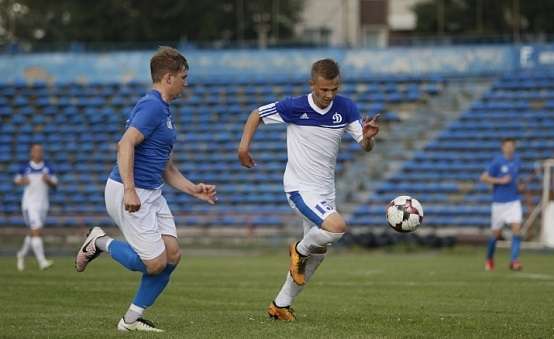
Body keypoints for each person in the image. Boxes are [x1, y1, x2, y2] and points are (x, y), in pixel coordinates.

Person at [74, 47, 217, 332]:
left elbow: (166, 167)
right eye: (183, 77)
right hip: (131, 192)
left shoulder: (164, 109)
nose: (185, 83)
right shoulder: (152, 105)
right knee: (154, 264)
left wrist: (193, 189)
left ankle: (130, 320)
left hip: (152, 192)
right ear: (168, 77)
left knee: (172, 256)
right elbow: (125, 144)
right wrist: (130, 189)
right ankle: (99, 242)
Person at [238, 58, 380, 320]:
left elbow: (364, 144)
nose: (329, 95)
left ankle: (280, 305)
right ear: (312, 84)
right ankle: (298, 250)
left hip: (325, 192)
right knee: (336, 227)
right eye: (324, 89)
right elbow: (256, 114)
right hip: (300, 188)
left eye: (334, 89)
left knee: (320, 253)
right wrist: (243, 146)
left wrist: (368, 139)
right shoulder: (295, 106)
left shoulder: (346, 108)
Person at [480, 138, 524, 271]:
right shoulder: (497, 162)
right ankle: (489, 258)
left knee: (517, 230)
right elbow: (483, 177)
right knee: (495, 235)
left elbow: (516, 179)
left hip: (514, 201)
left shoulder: (517, 161)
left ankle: (514, 261)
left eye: (512, 146)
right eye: (507, 146)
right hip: (499, 203)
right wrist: (500, 180)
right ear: (503, 148)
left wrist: (519, 186)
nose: (510, 148)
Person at [14, 144, 57, 271]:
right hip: (29, 204)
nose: (38, 153)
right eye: (35, 151)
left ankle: (21, 254)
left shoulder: (47, 168)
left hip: (43, 204)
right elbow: (16, 180)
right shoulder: (25, 168)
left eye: (40, 151)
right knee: (36, 231)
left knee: (33, 232)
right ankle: (42, 261)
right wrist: (22, 181)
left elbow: (55, 183)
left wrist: (48, 180)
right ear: (31, 153)